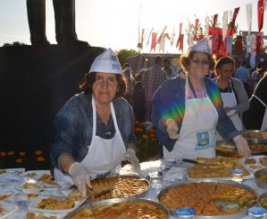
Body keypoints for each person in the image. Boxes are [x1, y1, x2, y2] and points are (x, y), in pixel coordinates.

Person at [50, 49, 140, 196]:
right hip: (72, 185)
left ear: (118, 85)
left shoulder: (124, 108)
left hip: (108, 182)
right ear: (91, 83)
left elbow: (129, 138)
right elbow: (60, 149)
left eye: (111, 79)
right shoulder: (74, 110)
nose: (105, 85)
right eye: (99, 78)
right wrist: (75, 168)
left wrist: (130, 151)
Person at [151, 39, 250, 160]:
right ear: (187, 63)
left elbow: (221, 117)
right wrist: (168, 122)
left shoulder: (212, 88)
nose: (200, 65)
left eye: (205, 62)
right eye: (195, 60)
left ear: (209, 66)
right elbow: (157, 112)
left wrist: (236, 137)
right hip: (179, 154)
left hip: (207, 153)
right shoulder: (172, 87)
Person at [213, 56, 250, 133]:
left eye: (231, 71)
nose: (229, 74)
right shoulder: (211, 85)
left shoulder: (237, 84)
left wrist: (232, 109)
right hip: (215, 126)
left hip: (235, 125)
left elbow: (246, 104)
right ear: (218, 70)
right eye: (225, 71)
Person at [141, 56, 167, 121]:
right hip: (158, 99)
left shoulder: (147, 71)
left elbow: (142, 83)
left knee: (148, 114)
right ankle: (155, 129)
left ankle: (146, 130)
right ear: (160, 62)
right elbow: (165, 87)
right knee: (157, 116)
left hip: (148, 97)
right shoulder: (163, 73)